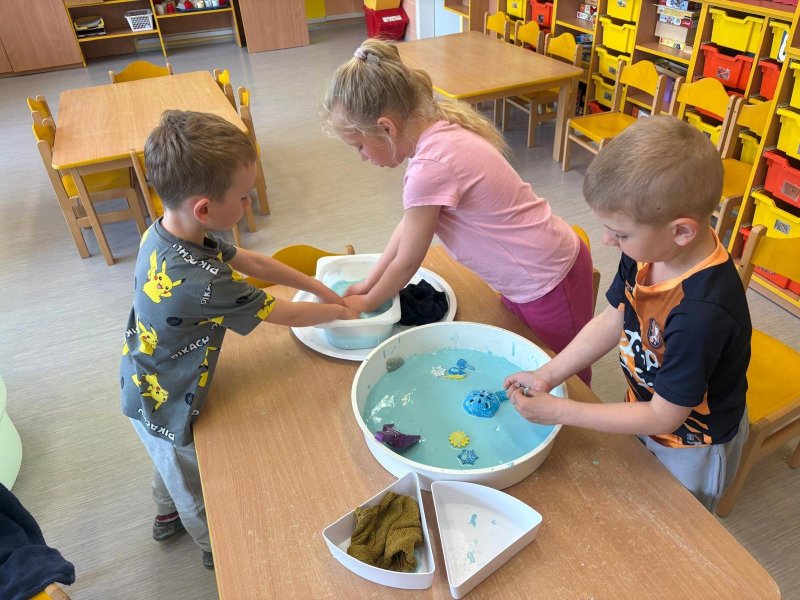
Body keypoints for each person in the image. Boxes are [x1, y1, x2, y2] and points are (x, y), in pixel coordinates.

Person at [119, 110, 357, 570]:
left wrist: (321, 287)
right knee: (190, 482)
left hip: (152, 371)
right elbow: (285, 314)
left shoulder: (171, 230)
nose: (249, 202)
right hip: (166, 399)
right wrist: (342, 311)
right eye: (244, 196)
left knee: (168, 462)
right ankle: (211, 547)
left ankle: (165, 510)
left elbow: (256, 263)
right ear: (205, 209)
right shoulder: (202, 282)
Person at [504, 116, 751, 512]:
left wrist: (561, 411)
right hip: (646, 405)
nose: (607, 241)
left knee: (676, 520)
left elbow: (663, 417)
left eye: (619, 234)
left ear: (682, 231)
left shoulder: (702, 315)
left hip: (692, 444)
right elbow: (613, 317)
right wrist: (548, 374)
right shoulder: (649, 251)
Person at [321, 39, 595, 384]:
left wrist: (369, 302)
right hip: (529, 276)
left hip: (548, 280)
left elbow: (407, 262)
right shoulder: (438, 131)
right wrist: (368, 282)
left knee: (565, 376)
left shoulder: (430, 166)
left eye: (359, 146)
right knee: (529, 363)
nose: (362, 156)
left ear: (387, 127)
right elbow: (408, 228)